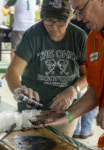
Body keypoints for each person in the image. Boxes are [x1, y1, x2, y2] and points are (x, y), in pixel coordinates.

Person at [30, 0, 104, 149]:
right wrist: (66, 115)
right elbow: (96, 89)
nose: (78, 18)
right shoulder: (93, 39)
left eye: (80, 9)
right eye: (75, 12)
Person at [5, 0, 88, 137]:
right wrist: (19, 91)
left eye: (61, 21)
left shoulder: (79, 37)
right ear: (42, 17)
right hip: (32, 110)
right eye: (49, 21)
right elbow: (12, 72)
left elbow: (88, 75)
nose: (55, 27)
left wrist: (74, 89)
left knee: (62, 144)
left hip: (65, 111)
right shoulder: (33, 35)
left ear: (70, 16)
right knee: (29, 143)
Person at [71, 19, 97, 139]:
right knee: (90, 92)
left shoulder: (72, 21)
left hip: (78, 64)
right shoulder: (94, 20)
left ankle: (76, 130)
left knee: (82, 94)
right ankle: (85, 130)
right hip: (92, 60)